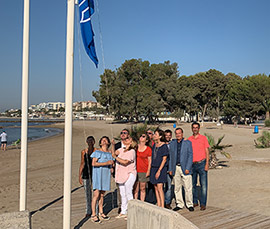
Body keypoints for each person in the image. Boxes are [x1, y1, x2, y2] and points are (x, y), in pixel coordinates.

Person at [168, 128, 194, 212]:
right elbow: (171, 157)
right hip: (176, 168)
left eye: (179, 133)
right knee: (177, 187)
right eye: (176, 133)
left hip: (185, 168)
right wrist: (171, 169)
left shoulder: (187, 143)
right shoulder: (172, 143)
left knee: (188, 187)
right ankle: (179, 204)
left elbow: (190, 156)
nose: (178, 135)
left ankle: (189, 204)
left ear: (182, 133)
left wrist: (188, 167)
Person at [90, 136, 114, 223]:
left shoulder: (110, 152)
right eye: (102, 140)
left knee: (102, 195)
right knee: (96, 194)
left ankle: (101, 212)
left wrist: (111, 166)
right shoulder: (97, 152)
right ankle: (93, 214)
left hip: (106, 175)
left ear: (108, 142)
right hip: (98, 174)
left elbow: (112, 161)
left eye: (105, 140)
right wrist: (106, 163)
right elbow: (93, 163)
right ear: (100, 143)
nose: (104, 141)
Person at [112, 137, 137, 219]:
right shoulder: (121, 149)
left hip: (130, 173)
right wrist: (113, 145)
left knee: (128, 191)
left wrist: (116, 158)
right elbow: (114, 153)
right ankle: (123, 211)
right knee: (122, 193)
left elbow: (125, 162)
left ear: (131, 142)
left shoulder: (132, 151)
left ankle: (131, 211)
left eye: (128, 139)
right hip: (121, 174)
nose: (126, 139)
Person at [188, 122, 210, 211]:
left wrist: (207, 163)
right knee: (192, 185)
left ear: (199, 129)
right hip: (192, 164)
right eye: (193, 127)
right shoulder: (189, 140)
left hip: (202, 163)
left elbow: (207, 151)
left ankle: (203, 203)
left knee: (203, 185)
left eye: (196, 127)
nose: (195, 129)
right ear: (191, 129)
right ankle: (195, 201)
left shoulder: (203, 138)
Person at [150, 129, 169, 208]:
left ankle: (162, 205)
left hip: (160, 168)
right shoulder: (155, 145)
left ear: (160, 136)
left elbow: (164, 159)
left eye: (156, 134)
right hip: (153, 168)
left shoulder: (164, 146)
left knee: (160, 187)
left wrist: (159, 170)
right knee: (155, 187)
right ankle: (159, 204)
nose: (154, 135)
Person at [79, 136, 96, 217]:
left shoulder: (97, 151)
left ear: (94, 142)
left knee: (95, 191)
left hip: (95, 172)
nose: (90, 142)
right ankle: (88, 209)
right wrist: (79, 175)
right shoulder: (83, 152)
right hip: (86, 173)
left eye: (91, 141)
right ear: (86, 142)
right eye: (88, 141)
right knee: (87, 192)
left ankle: (95, 209)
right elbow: (82, 163)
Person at [114, 128, 130, 214]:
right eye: (122, 133)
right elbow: (113, 156)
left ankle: (128, 205)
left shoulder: (131, 145)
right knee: (120, 190)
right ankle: (121, 206)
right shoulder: (117, 145)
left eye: (125, 133)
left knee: (129, 189)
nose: (123, 134)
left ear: (128, 135)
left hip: (128, 169)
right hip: (119, 170)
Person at [133, 133, 152, 201]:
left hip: (144, 170)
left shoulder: (148, 149)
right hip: (135, 169)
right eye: (141, 136)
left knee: (143, 188)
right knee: (135, 188)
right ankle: (135, 201)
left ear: (146, 140)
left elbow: (150, 161)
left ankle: (142, 202)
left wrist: (148, 171)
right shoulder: (135, 147)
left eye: (143, 136)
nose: (141, 137)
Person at [164, 129, 173, 209]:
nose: (168, 137)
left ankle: (167, 202)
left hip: (169, 168)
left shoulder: (173, 144)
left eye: (169, 135)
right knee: (160, 186)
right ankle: (161, 201)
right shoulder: (161, 144)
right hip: (162, 168)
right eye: (166, 135)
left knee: (169, 186)